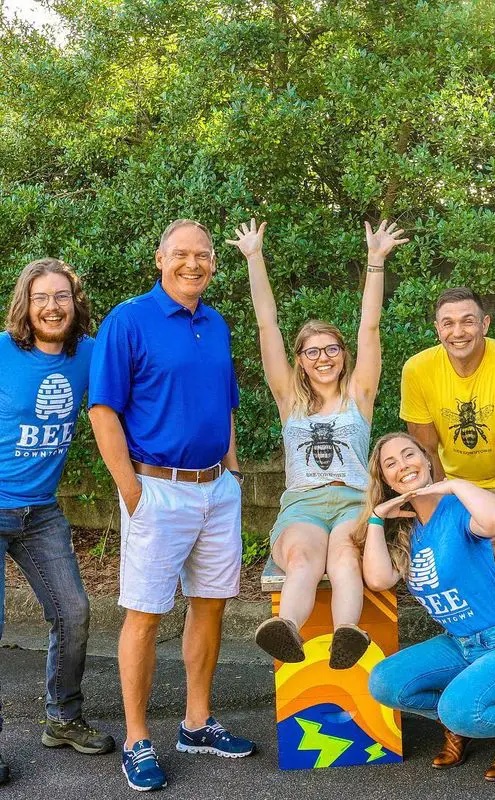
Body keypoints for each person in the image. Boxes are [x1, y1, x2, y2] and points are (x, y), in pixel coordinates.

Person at [89, 219, 254, 792]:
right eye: (181, 255)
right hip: (155, 488)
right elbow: (103, 410)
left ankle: (197, 722)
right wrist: (131, 489)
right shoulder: (128, 320)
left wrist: (231, 470)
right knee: (145, 612)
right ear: (159, 259)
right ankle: (137, 739)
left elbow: (226, 403)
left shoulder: (216, 323)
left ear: (213, 262)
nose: (193, 264)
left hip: (216, 489)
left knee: (210, 606)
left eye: (203, 256)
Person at [227, 218, 407, 669]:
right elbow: (266, 325)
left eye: (331, 349)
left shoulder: (358, 396)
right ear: (301, 362)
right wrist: (254, 258)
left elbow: (370, 327)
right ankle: (286, 628)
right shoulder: (289, 399)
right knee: (305, 560)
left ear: (343, 355)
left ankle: (349, 632)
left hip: (351, 501)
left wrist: (376, 262)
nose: (323, 358)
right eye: (312, 352)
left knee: (346, 557)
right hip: (303, 505)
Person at [361, 432, 495, 782]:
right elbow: (378, 579)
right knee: (384, 683)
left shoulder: (459, 508)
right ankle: (460, 724)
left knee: (458, 707)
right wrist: (376, 516)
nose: (403, 465)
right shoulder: (407, 529)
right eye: (391, 464)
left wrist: (452, 485)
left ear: (427, 459)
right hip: (460, 644)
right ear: (386, 480)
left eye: (409, 455)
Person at [0, 259, 115, 785]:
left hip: (41, 511)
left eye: (62, 296)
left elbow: (124, 404)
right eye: (42, 297)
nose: (52, 306)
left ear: (75, 302)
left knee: (74, 611)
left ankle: (63, 719)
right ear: (25, 303)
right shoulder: (3, 352)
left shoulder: (89, 355)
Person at [399, 287, 495, 594]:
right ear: (437, 329)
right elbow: (427, 455)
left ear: (485, 324)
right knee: (451, 558)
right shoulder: (418, 369)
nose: (458, 332)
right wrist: (442, 515)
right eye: (448, 323)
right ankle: (465, 638)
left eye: (468, 321)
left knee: (494, 561)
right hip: (451, 481)